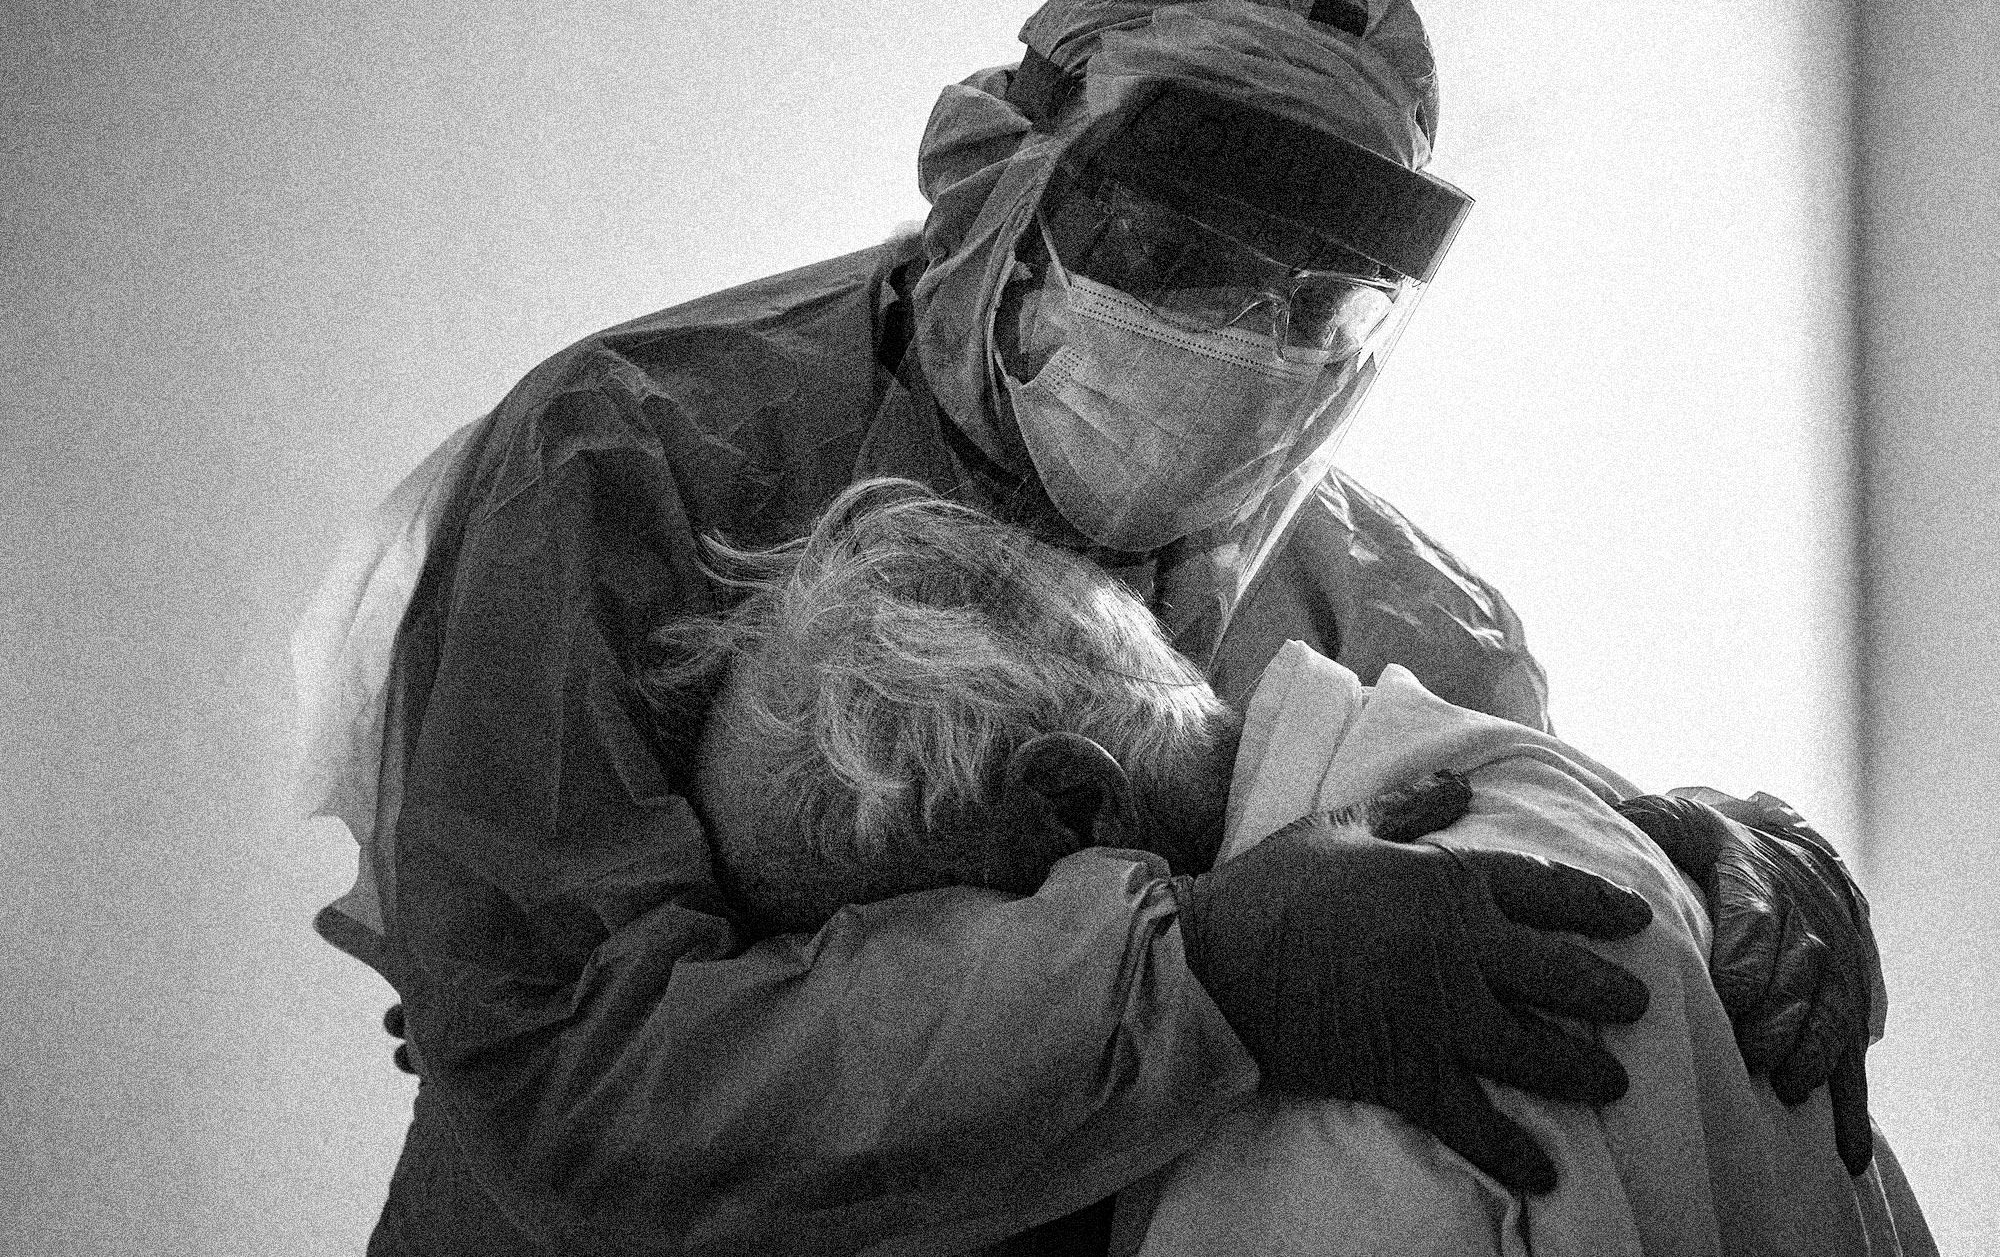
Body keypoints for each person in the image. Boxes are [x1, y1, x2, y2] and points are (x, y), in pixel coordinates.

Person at [293, 0, 1887, 1252]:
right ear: (999, 178)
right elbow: (567, 1061)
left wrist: (1702, 862)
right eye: (1184, 250)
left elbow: (1525, 905)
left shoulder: (1393, 609)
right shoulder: (631, 462)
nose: (1246, 336)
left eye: (1319, 298)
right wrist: (1194, 974)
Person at [647, 476, 1931, 1255]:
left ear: (1073, 808)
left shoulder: (1361, 1086)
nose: (915, 1037)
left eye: (897, 950)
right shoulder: (1550, 804)